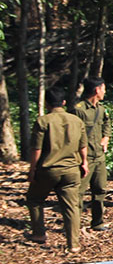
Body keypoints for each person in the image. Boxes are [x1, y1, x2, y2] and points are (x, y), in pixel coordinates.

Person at [26, 92, 89, 252]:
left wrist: (32, 169)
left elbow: (37, 148)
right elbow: (83, 146)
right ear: (64, 101)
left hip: (49, 170)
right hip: (71, 170)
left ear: (47, 103)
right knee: (71, 207)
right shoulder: (76, 120)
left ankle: (39, 234)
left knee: (34, 199)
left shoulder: (43, 121)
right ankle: (73, 244)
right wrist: (85, 163)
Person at [68, 77, 112, 231]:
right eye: (103, 88)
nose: (105, 92)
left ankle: (97, 222)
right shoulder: (78, 110)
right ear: (97, 90)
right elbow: (72, 134)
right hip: (83, 158)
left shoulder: (101, 109)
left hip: (99, 156)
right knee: (79, 192)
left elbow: (107, 123)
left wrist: (106, 137)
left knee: (100, 190)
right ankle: (74, 225)